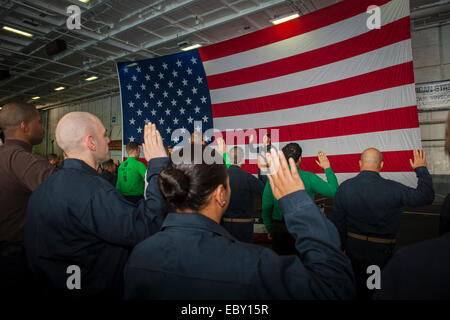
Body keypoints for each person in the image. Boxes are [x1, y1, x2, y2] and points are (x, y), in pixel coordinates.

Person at [123, 146, 355, 300]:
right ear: (221, 195)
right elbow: (335, 288)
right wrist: (297, 201)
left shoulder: (139, 256)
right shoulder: (254, 264)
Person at [25, 113, 168, 299]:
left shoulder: (43, 188)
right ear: (91, 142)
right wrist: (158, 164)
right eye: (104, 134)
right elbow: (147, 226)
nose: (108, 139)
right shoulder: (94, 191)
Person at [331, 148, 434, 300]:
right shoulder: (395, 189)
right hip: (380, 254)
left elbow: (338, 223)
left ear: (360, 163)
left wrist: (341, 248)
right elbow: (426, 196)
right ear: (382, 165)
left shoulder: (344, 188)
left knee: (354, 290)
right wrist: (421, 169)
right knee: (375, 292)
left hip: (352, 251)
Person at [0, 102, 56, 297]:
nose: (42, 127)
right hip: (15, 257)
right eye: (39, 122)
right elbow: (63, 192)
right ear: (24, 126)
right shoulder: (23, 160)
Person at [262, 143, 339, 255]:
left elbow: (266, 207)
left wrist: (269, 229)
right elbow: (334, 191)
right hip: (304, 228)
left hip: (279, 229)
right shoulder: (309, 177)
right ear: (300, 159)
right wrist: (327, 168)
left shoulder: (274, 178)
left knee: (281, 267)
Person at [221, 146, 265, 242]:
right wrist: (263, 169)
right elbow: (265, 194)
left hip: (224, 226)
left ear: (229, 159)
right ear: (243, 160)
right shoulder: (249, 178)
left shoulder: (221, 178)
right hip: (244, 228)